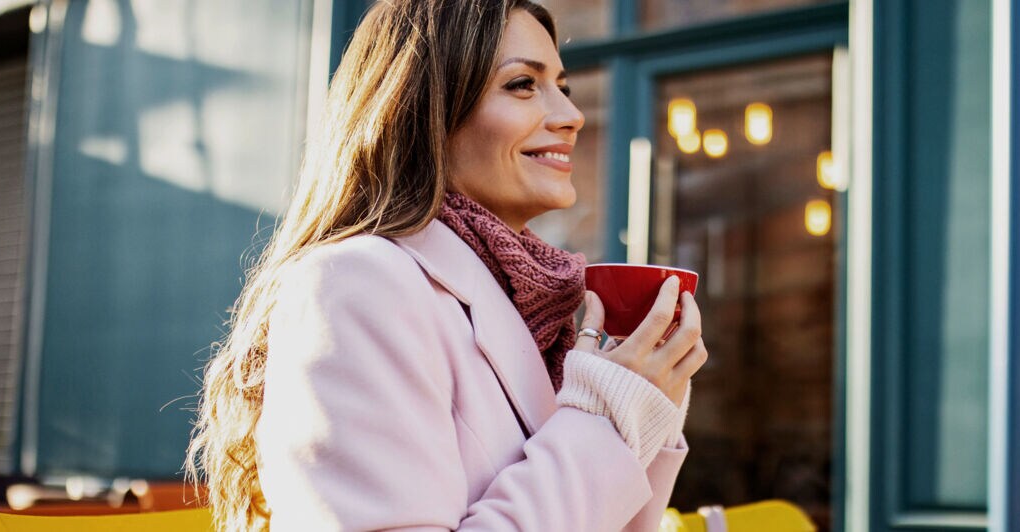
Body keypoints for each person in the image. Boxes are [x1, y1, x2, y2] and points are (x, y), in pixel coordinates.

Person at [186, 0, 709, 530]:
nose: (571, 115)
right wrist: (606, 417)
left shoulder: (532, 309)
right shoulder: (355, 282)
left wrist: (645, 399)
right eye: (523, 84)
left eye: (563, 87)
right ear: (425, 111)